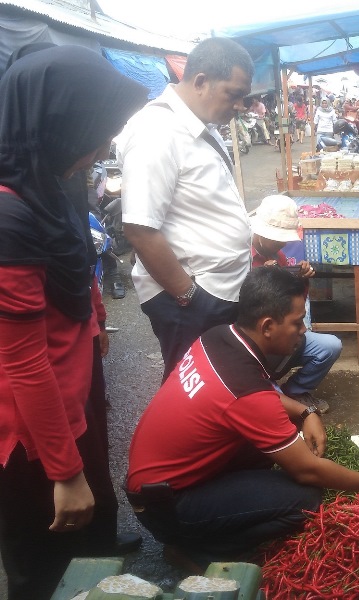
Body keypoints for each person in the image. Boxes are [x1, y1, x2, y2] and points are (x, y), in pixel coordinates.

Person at [126, 268, 359, 568]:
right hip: (166, 506)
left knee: (266, 449)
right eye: (297, 323)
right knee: (305, 499)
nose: (302, 331)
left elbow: (256, 397)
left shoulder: (219, 336)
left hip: (155, 484)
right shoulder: (244, 388)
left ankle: (204, 530)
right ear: (268, 326)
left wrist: (305, 411)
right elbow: (307, 470)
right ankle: (200, 550)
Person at [0, 45, 147, 600]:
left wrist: (94, 323)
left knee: (84, 551)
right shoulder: (9, 213)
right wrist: (63, 471)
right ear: (57, 124)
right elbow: (21, 360)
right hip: (32, 433)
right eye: (97, 130)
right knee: (42, 568)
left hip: (70, 384)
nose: (105, 146)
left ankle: (98, 559)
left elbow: (76, 259)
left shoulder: (49, 177)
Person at [117, 37, 254, 381]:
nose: (240, 106)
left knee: (218, 384)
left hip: (219, 289)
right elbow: (140, 229)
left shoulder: (202, 127)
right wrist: (190, 297)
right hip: (194, 298)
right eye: (233, 94)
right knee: (192, 390)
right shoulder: (157, 132)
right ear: (201, 81)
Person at [250, 195, 342, 413]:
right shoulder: (242, 257)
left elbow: (293, 303)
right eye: (277, 239)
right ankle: (269, 391)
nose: (282, 244)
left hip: (283, 335)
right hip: (258, 341)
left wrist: (301, 279)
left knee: (330, 346)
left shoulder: (279, 256)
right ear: (261, 233)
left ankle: (296, 391)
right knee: (264, 402)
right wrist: (262, 278)